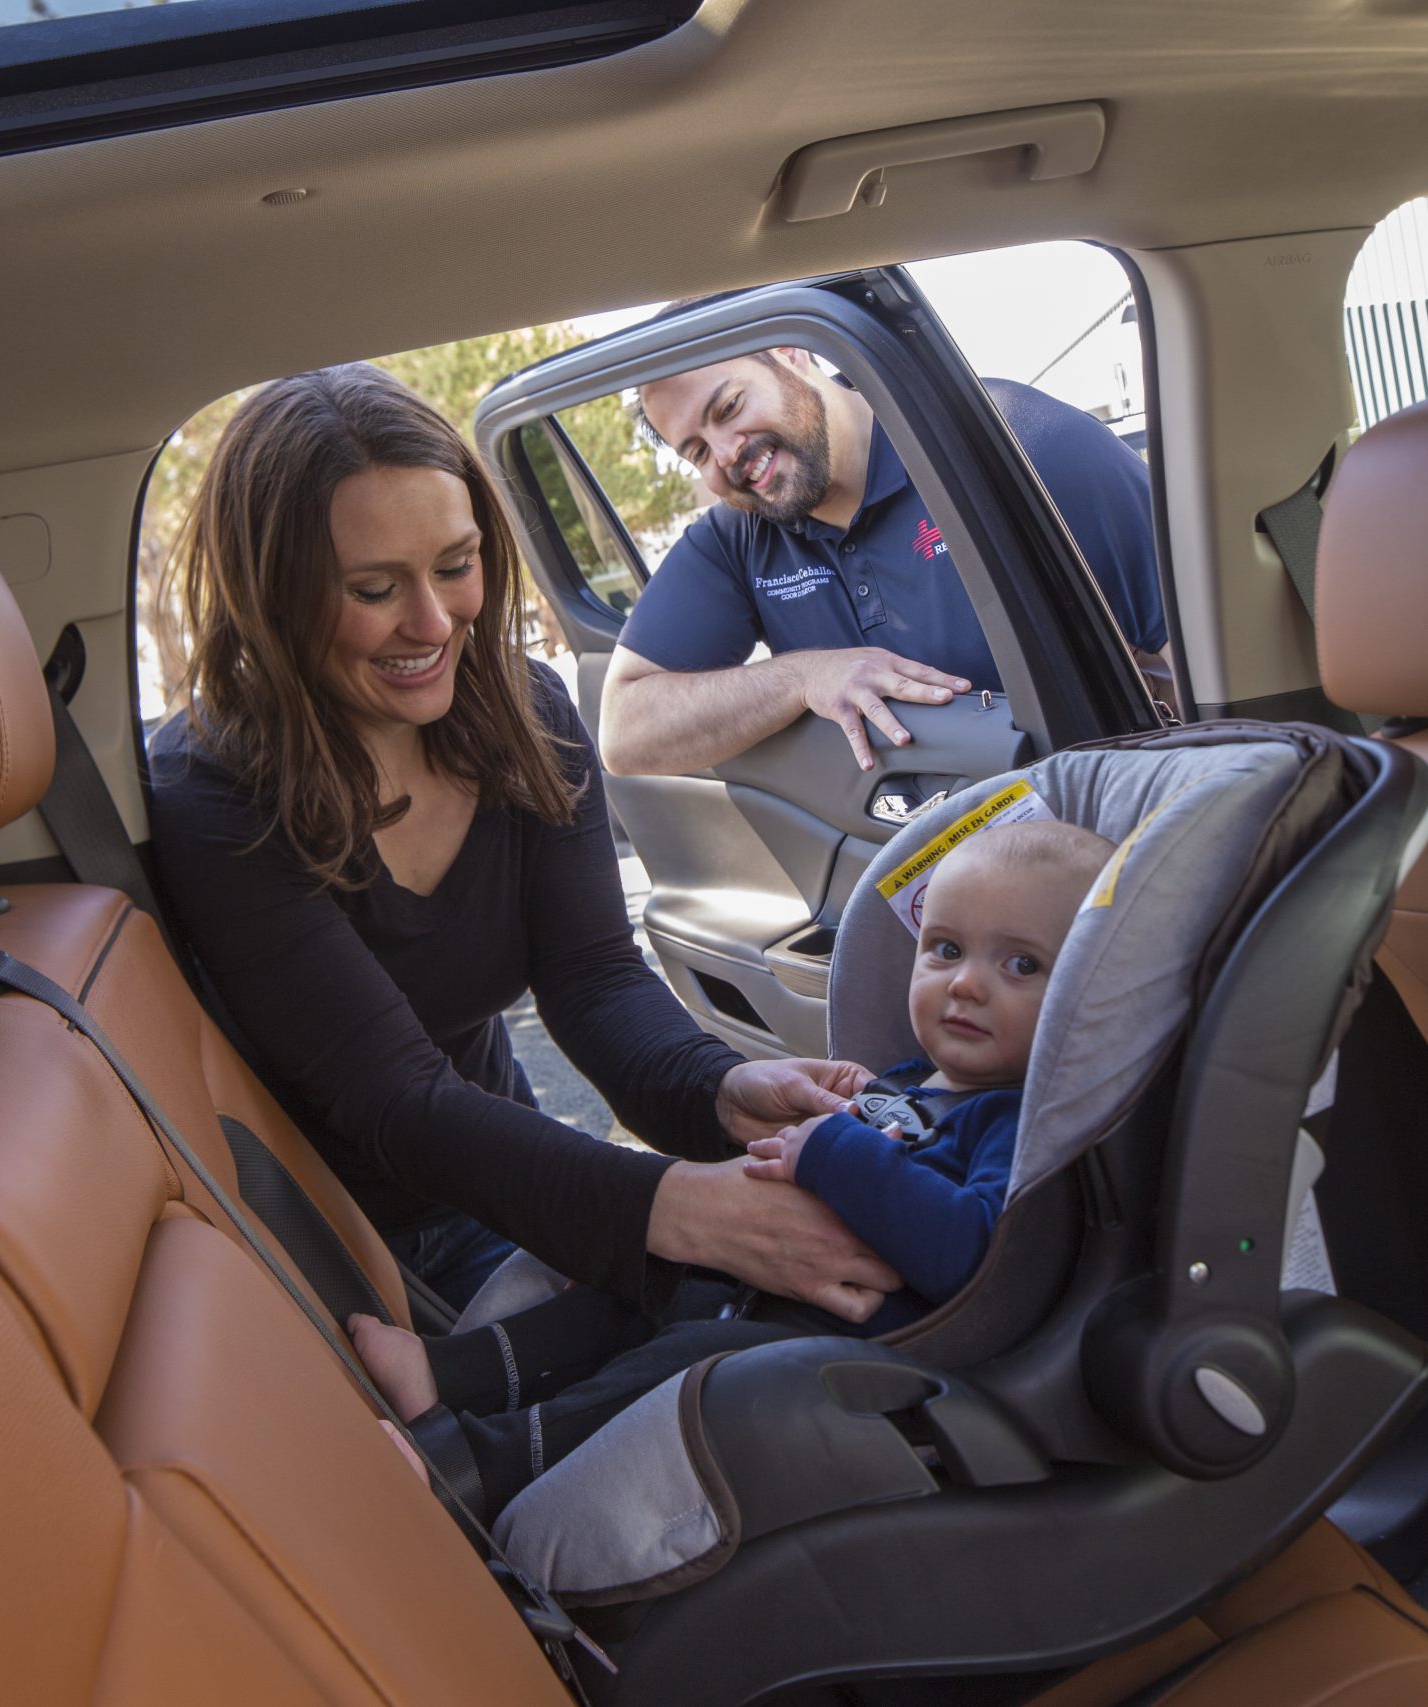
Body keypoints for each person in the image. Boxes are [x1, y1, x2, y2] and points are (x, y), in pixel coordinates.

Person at [145, 364, 901, 1317]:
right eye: (374, 588)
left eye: (456, 565)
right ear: (274, 595)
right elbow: (388, 1093)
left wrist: (719, 1088)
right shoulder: (211, 784)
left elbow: (590, 977)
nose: (433, 623)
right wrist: (675, 1208)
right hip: (317, 1245)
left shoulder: (525, 709)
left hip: (504, 1183)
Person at [347, 818, 1117, 1519]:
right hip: (765, 1281)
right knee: (633, 1280)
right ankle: (449, 1374)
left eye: (1020, 963)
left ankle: (482, 1463)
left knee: (674, 1367)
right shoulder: (913, 1079)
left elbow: (970, 1255)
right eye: (945, 949)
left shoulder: (1015, 1119)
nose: (966, 983)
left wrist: (834, 1149)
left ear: (1084, 997)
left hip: (832, 1342)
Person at [601, 345, 1167, 776]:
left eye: (729, 407)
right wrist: (805, 676)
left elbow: (1212, 658)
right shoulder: (737, 540)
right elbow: (624, 733)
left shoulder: (1019, 446)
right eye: (697, 450)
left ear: (790, 352)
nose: (726, 455)